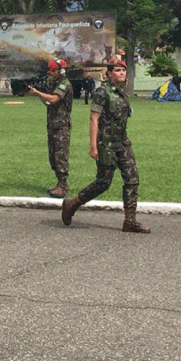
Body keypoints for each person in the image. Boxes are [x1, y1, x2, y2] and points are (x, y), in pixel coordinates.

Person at [62, 58, 150, 234]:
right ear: (109, 73)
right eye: (117, 70)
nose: (122, 73)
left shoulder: (122, 93)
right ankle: (72, 203)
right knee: (103, 182)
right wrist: (93, 146)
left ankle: (129, 221)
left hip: (122, 142)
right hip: (107, 144)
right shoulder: (102, 92)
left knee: (132, 180)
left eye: (123, 70)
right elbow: (94, 118)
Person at [27, 59, 72, 198]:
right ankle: (59, 183)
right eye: (49, 70)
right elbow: (47, 102)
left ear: (61, 71)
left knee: (60, 155)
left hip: (61, 125)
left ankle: (63, 185)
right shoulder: (53, 83)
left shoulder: (64, 84)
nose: (50, 73)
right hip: (52, 123)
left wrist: (38, 93)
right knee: (53, 155)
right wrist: (39, 92)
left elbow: (53, 99)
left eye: (53, 70)